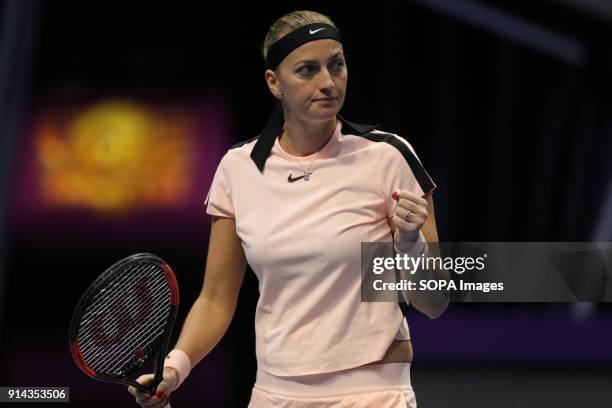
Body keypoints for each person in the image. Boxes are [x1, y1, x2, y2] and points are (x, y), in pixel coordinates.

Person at [128, 10, 449, 408]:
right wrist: (174, 369)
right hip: (274, 394)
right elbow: (215, 299)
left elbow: (434, 303)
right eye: (307, 70)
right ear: (274, 83)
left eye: (337, 65)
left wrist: (409, 241)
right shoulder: (237, 168)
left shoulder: (389, 156)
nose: (328, 83)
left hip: (374, 393)